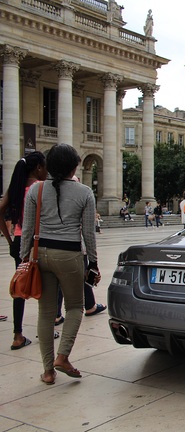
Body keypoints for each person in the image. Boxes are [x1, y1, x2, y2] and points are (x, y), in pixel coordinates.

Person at [20, 144, 99, 385]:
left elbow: (27, 229)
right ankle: (62, 357)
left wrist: (24, 258)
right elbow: (88, 232)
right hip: (69, 254)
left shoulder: (36, 190)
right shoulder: (84, 192)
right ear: (74, 166)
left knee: (46, 313)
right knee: (75, 307)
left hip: (40, 253)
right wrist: (93, 262)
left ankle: (47, 371)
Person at [0, 152, 48, 349]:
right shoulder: (40, 188)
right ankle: (43, 329)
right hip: (39, 241)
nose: (47, 170)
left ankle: (17, 334)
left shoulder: (16, 188)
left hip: (19, 241)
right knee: (44, 286)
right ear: (38, 168)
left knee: (21, 285)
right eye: (45, 166)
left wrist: (10, 237)